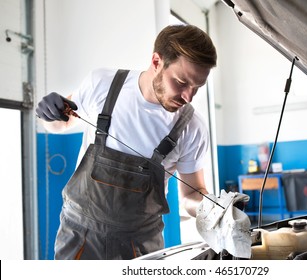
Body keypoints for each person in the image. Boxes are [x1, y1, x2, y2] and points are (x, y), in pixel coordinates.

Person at [36, 24, 217, 260]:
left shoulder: (191, 127)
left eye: (197, 87)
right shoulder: (103, 84)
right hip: (79, 237)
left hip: (140, 246)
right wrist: (48, 114)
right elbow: (60, 124)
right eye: (182, 82)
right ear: (156, 62)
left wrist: (212, 209)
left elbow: (190, 196)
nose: (188, 96)